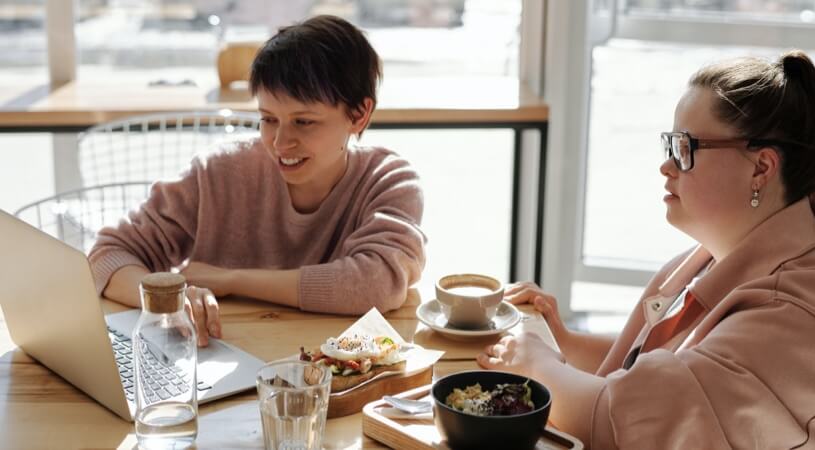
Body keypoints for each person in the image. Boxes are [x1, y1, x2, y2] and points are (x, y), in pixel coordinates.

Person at [479, 50, 815, 449]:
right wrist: (562, 341)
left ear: (761, 167)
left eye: (686, 147)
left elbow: (621, 421)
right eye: (669, 145)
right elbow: (673, 368)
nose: (667, 166)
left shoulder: (788, 312)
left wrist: (537, 363)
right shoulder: (707, 258)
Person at [89, 15, 426, 347]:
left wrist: (231, 280)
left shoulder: (389, 181)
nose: (280, 143)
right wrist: (170, 300)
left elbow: (378, 283)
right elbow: (107, 256)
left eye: (304, 122)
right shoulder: (218, 173)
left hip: (333, 380)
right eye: (268, 119)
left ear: (358, 115)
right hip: (216, 366)